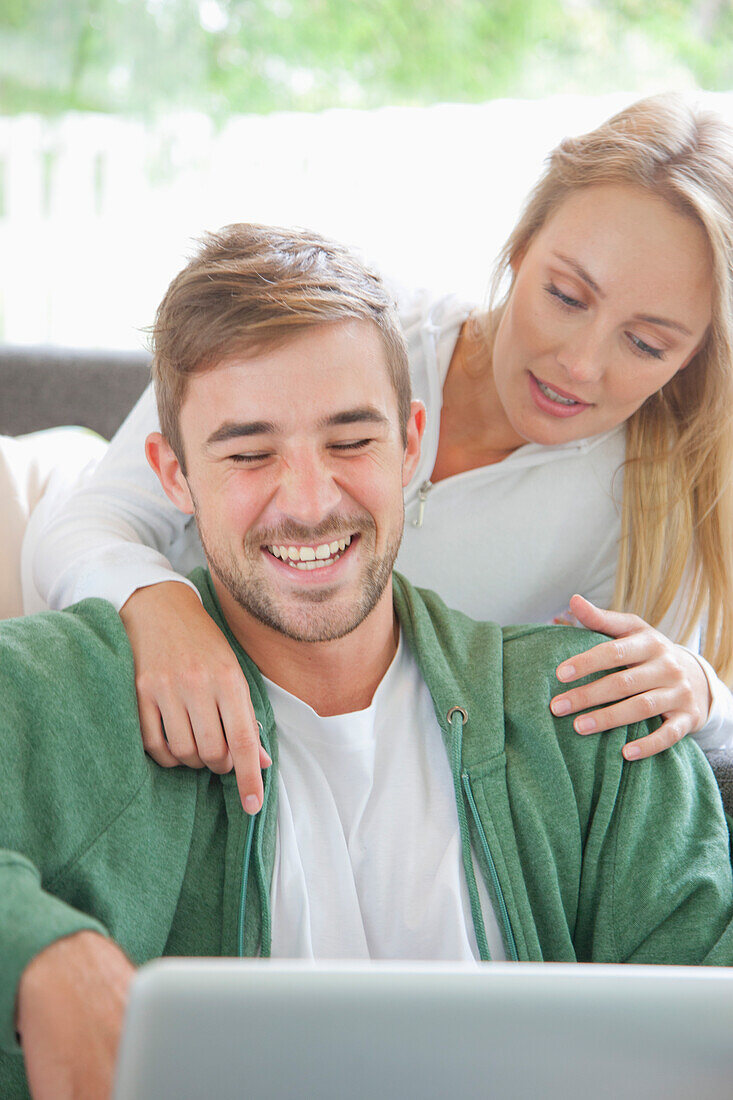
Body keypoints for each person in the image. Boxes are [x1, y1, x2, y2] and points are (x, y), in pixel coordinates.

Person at [4, 223, 733, 1100]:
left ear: (409, 441)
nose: (310, 502)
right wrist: (36, 945)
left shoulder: (592, 719)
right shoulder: (54, 688)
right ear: (174, 476)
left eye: (350, 441)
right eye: (248, 453)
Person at [25, 94, 733, 818]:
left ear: (694, 354)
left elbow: (671, 749)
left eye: (646, 343)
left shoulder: (649, 505)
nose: (579, 364)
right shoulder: (350, 325)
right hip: (148, 659)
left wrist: (705, 696)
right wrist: (160, 609)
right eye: (564, 294)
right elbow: (83, 523)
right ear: (520, 248)